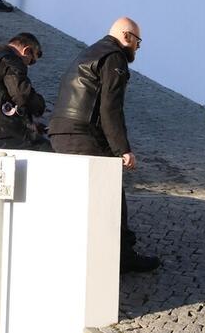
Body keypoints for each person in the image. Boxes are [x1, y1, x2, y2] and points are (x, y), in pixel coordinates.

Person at [50, 17, 160, 272]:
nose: (138, 48)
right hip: (82, 133)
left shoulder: (90, 51)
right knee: (109, 192)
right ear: (127, 37)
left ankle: (86, 253)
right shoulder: (114, 57)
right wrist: (123, 149)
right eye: (138, 41)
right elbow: (110, 107)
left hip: (60, 131)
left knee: (82, 194)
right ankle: (121, 256)